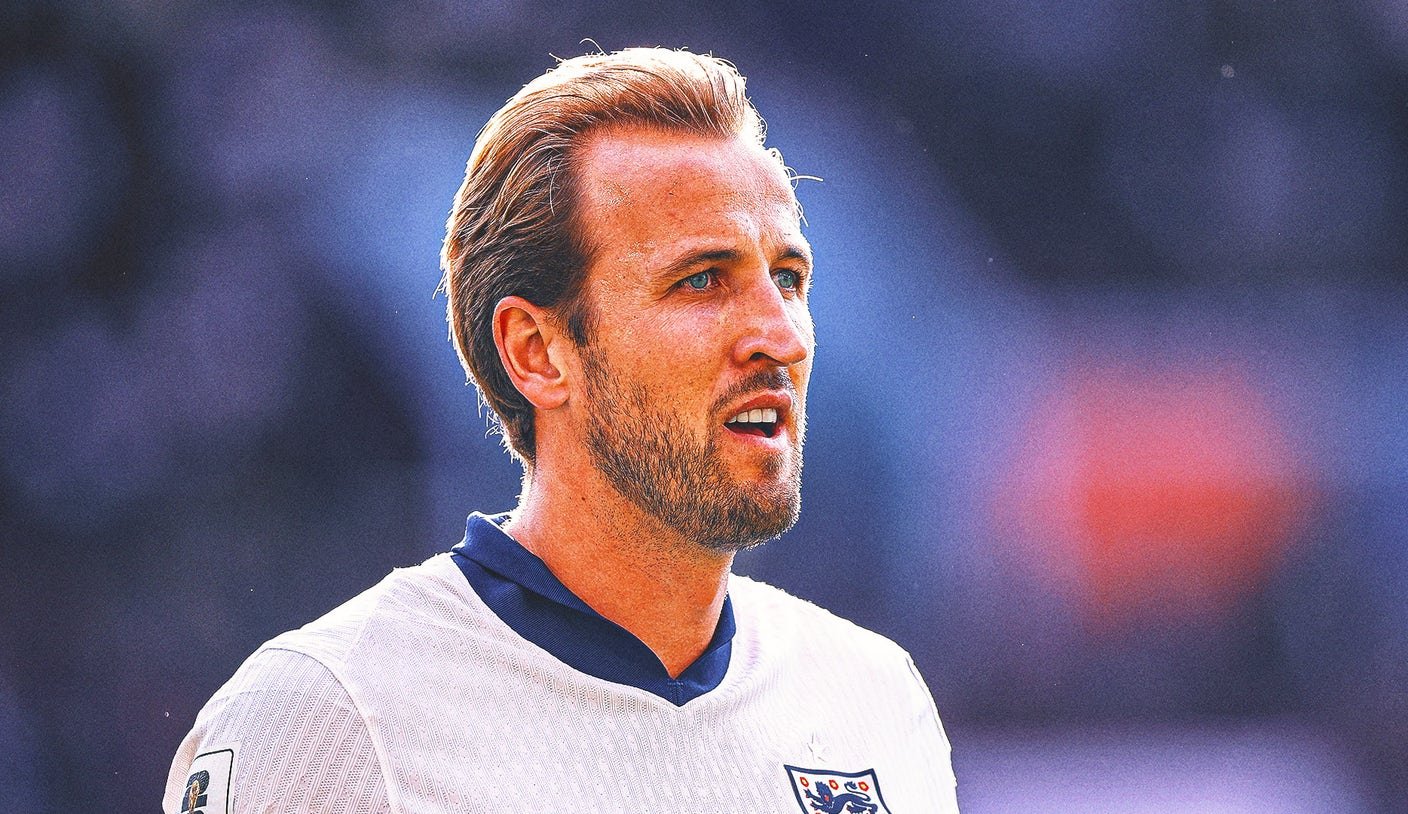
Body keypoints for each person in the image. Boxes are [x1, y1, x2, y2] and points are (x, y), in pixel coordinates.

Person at [164, 47, 959, 813]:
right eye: (700, 281)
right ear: (536, 353)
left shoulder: (874, 699)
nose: (780, 335)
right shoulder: (323, 717)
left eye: (787, 278)